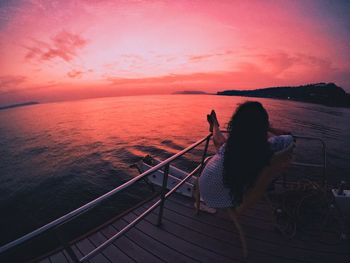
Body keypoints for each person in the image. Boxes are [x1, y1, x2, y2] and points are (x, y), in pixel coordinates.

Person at [198, 101, 294, 211]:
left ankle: (214, 125)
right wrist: (267, 128)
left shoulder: (232, 147)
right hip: (232, 189)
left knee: (221, 144)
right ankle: (215, 125)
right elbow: (289, 136)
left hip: (213, 194)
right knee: (222, 144)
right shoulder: (272, 146)